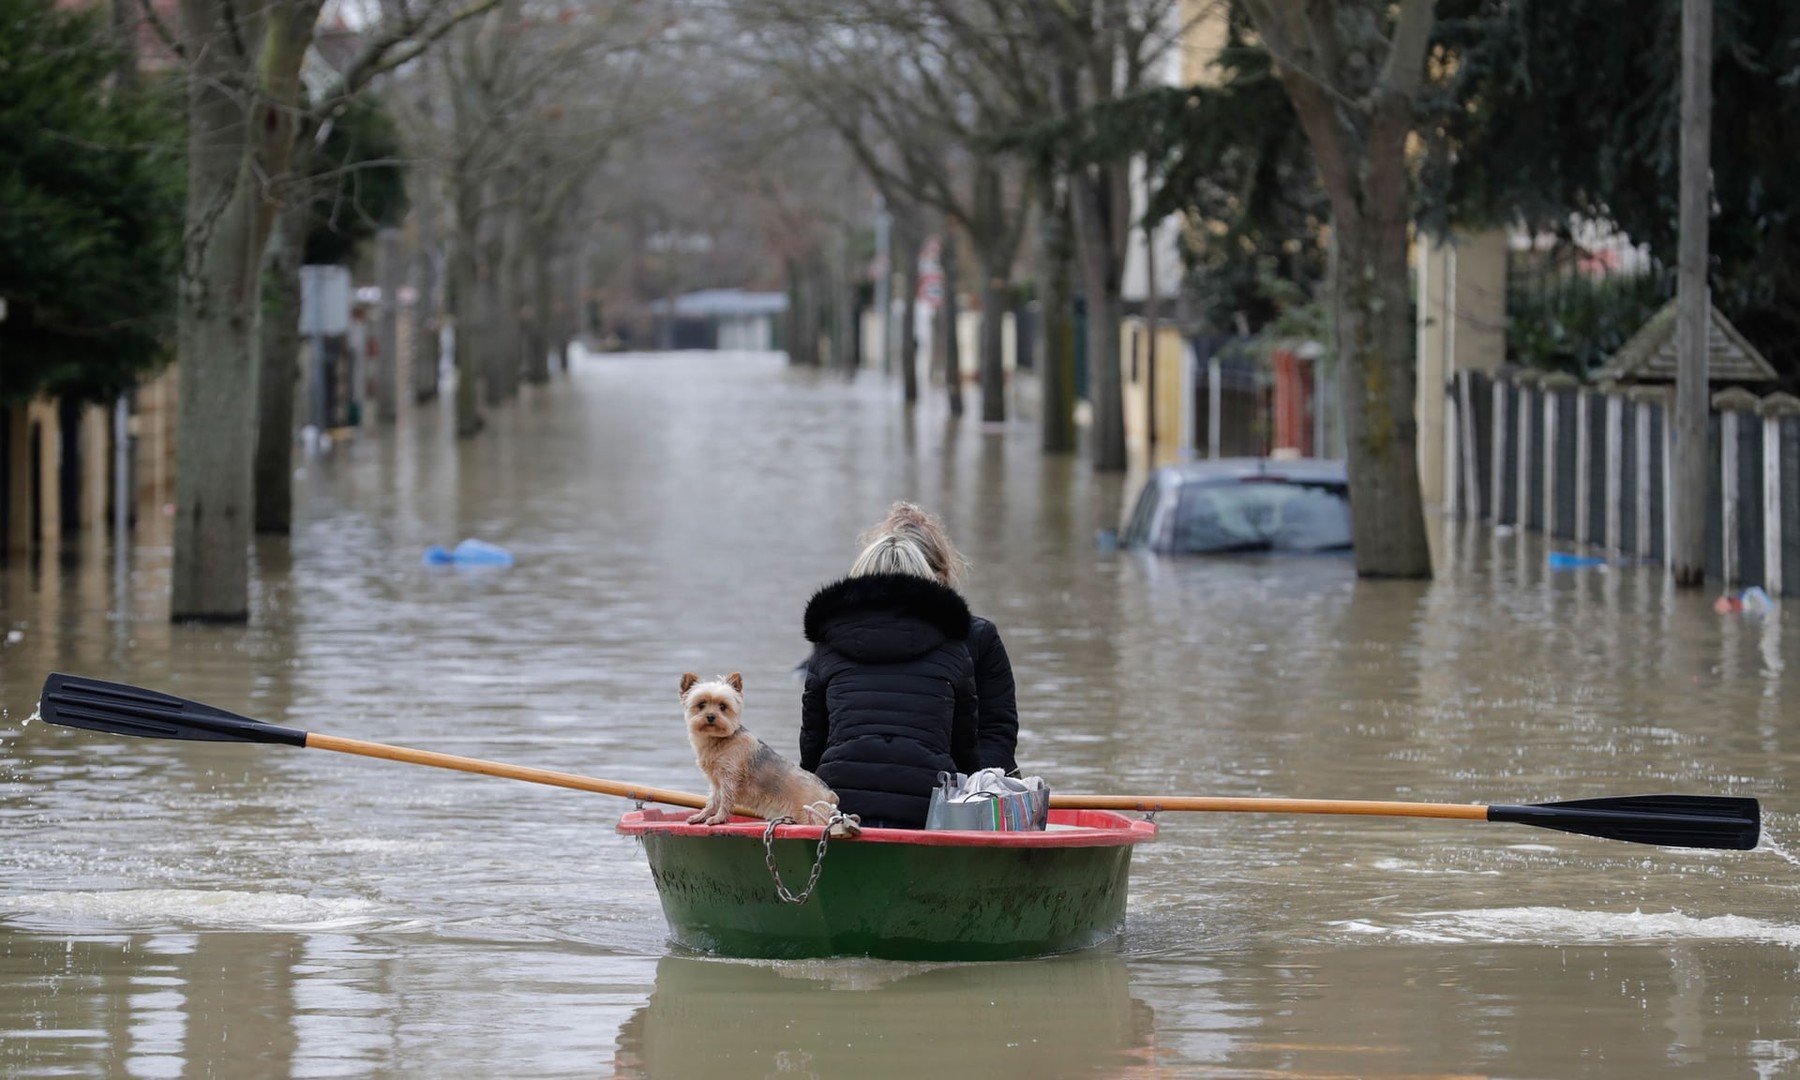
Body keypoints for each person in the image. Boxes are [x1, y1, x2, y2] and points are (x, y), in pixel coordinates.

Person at [799, 532, 981, 829]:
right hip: (927, 805)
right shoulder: (953, 647)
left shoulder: (827, 646)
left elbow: (812, 743)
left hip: (840, 802)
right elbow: (965, 748)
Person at [862, 502, 1020, 775]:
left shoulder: (979, 638)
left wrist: (970, 789)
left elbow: (996, 733)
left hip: (953, 784)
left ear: (939, 577)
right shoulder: (847, 638)